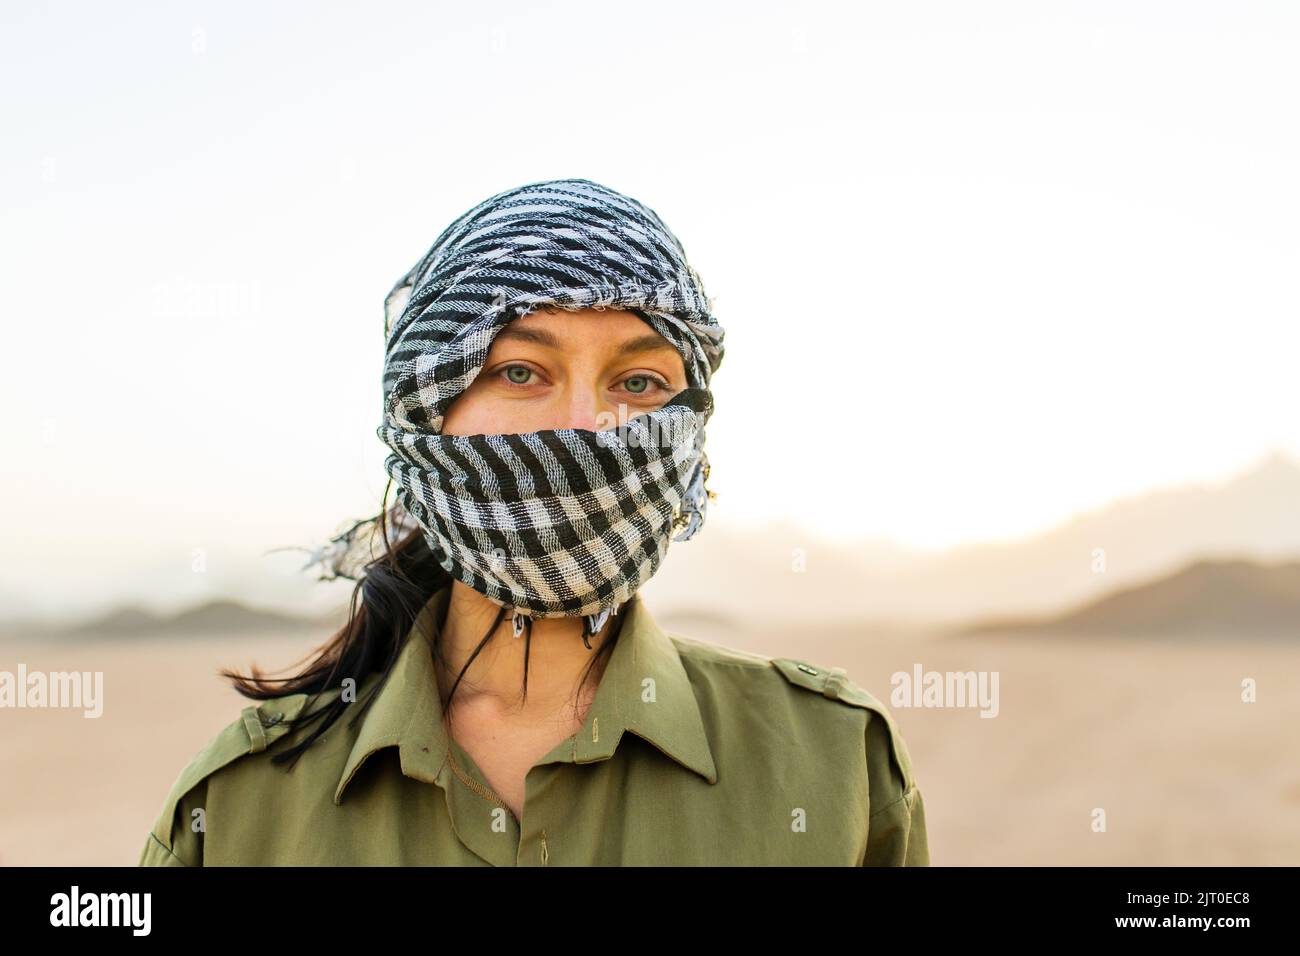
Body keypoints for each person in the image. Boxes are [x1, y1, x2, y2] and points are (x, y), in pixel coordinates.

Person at [137, 178, 929, 866]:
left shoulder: (836, 770)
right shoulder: (240, 810)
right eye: (520, 371)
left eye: (641, 379)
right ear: (425, 413)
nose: (589, 424)